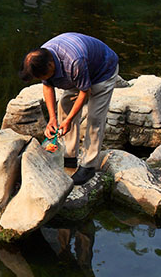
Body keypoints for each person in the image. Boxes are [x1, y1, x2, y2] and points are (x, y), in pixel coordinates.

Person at [18, 32, 121, 185]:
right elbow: (47, 87)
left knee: (95, 118)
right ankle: (70, 155)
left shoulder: (74, 61)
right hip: (79, 74)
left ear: (51, 65)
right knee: (64, 105)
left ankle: (88, 165)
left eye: (44, 75)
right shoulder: (42, 57)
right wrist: (52, 119)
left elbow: (84, 92)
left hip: (102, 71)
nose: (43, 79)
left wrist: (69, 120)